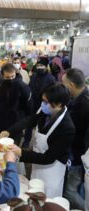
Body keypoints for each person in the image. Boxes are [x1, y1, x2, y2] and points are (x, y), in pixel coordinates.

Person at [0, 84, 75, 198]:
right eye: (42, 101)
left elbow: (49, 158)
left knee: (47, 199)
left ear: (59, 104)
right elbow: (30, 120)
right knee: (34, 192)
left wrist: (21, 153)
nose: (43, 104)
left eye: (46, 102)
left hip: (52, 169)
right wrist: (9, 131)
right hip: (37, 161)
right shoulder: (46, 111)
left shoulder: (67, 127)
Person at [62, 68, 89, 210]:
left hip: (78, 154)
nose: (63, 87)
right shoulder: (78, 97)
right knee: (78, 187)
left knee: (69, 191)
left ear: (71, 84)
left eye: (64, 83)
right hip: (76, 152)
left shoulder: (84, 104)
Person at [0, 63, 32, 141]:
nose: (11, 79)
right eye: (7, 77)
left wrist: (23, 119)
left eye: (12, 76)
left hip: (16, 122)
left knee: (13, 145)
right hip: (2, 121)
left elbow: (29, 105)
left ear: (15, 73)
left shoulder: (22, 86)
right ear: (2, 75)